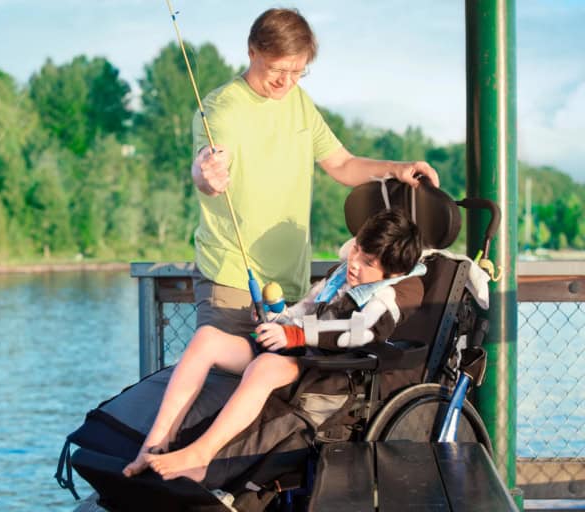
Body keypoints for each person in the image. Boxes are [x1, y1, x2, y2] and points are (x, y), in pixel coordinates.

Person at [190, 7, 439, 341]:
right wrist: (206, 176)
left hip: (293, 289)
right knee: (223, 379)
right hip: (233, 281)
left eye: (298, 72)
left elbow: (342, 164)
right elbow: (207, 167)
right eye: (278, 69)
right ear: (252, 51)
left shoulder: (299, 103)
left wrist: (397, 169)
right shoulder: (222, 107)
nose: (286, 81)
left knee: (279, 387)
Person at [123, 208, 424, 482]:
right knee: (207, 339)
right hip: (300, 356)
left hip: (333, 373)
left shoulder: (396, 293)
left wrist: (295, 336)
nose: (354, 263)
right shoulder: (341, 274)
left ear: (393, 273)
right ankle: (157, 442)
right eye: (356, 249)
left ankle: (201, 456)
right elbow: (306, 309)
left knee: (265, 366)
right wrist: (279, 319)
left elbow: (359, 330)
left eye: (367, 262)